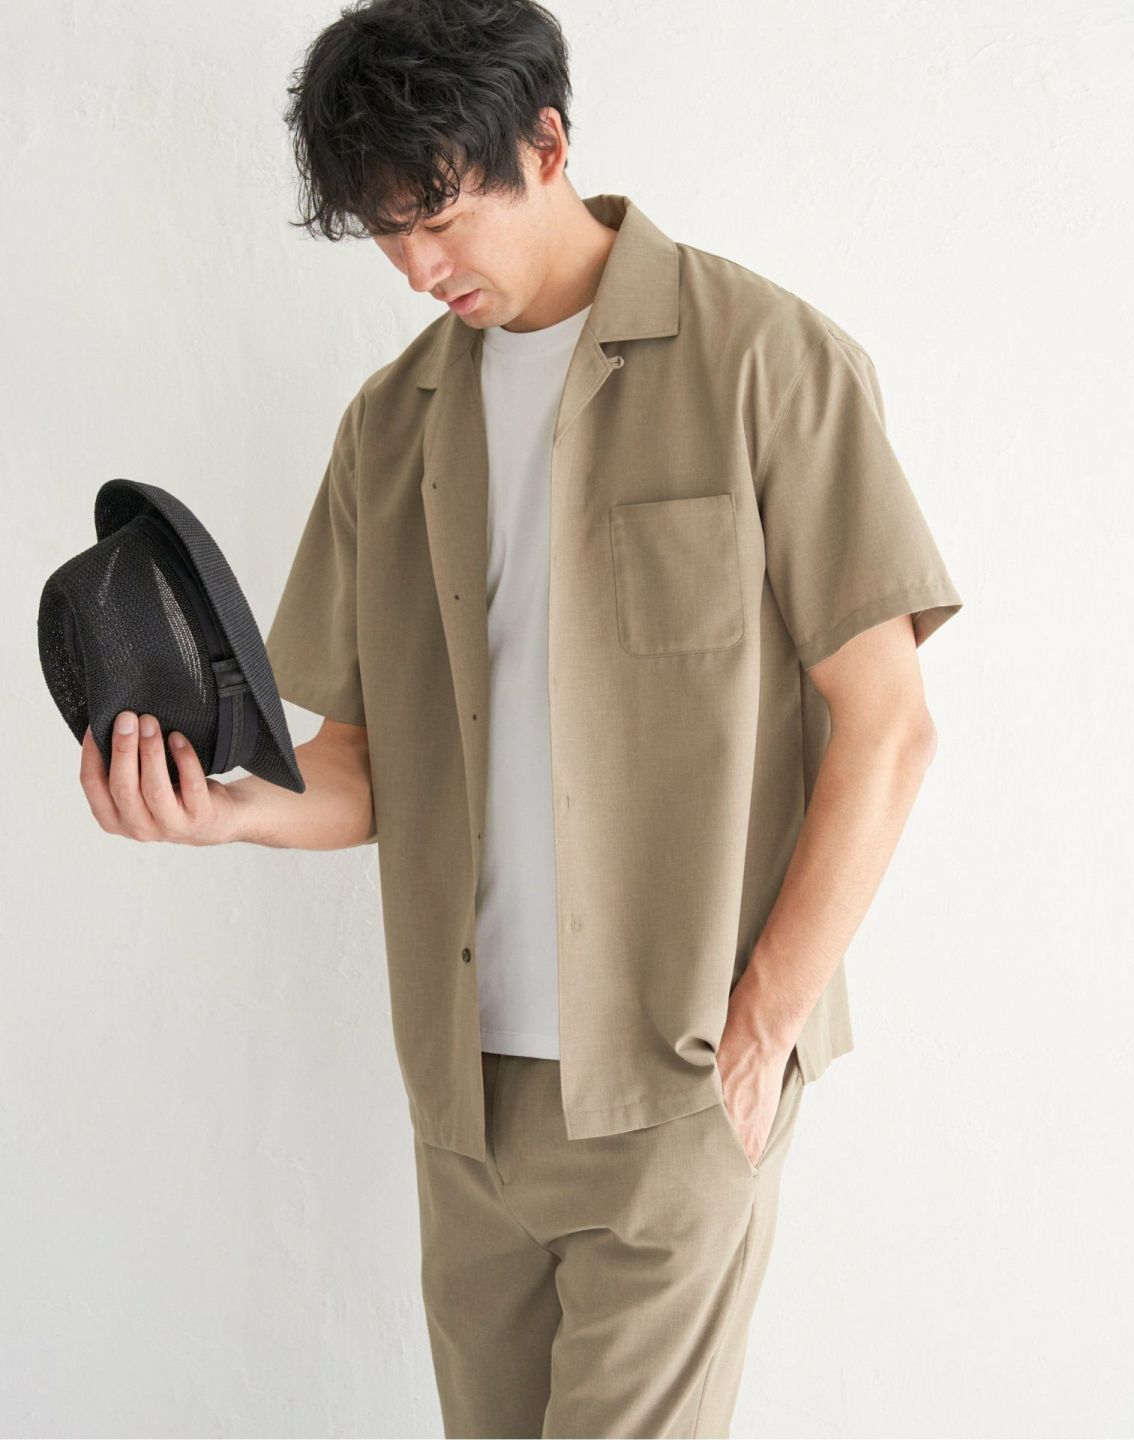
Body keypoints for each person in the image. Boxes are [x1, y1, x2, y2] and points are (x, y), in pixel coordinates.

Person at [79, 1, 963, 1434]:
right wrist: (225, 811)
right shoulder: (389, 426)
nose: (419, 268)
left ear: (548, 143)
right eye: (386, 233)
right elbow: (368, 767)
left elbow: (890, 725)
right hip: (466, 1110)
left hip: (675, 1087)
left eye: (438, 216)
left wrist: (765, 1025)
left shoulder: (766, 360)